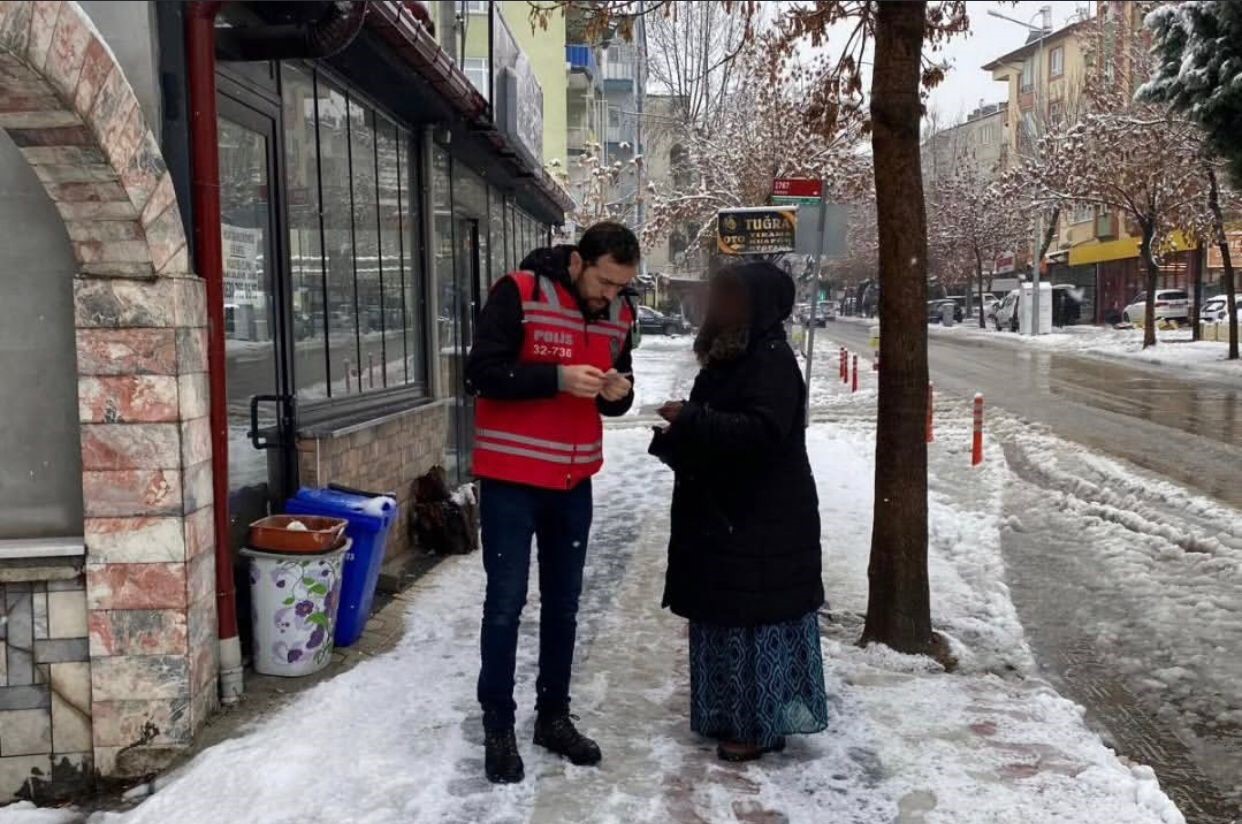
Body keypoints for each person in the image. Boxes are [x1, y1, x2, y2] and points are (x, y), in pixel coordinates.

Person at [465, 221, 640, 784]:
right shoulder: (519, 292)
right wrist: (556, 378)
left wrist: (621, 393)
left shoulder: (621, 316)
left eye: (620, 286)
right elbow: (482, 374)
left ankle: (553, 717)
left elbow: (617, 394)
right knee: (506, 605)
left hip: (572, 485)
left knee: (564, 607)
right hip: (511, 482)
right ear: (576, 262)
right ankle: (499, 725)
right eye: (605, 281)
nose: (610, 295)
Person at [649, 260, 828, 762]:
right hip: (725, 515)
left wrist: (694, 419)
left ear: (758, 307)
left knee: (755, 620)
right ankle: (728, 713)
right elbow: (717, 428)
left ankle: (760, 724)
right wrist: (677, 434)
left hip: (760, 518)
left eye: (729, 298)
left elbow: (761, 433)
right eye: (718, 296)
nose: (717, 306)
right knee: (724, 617)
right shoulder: (727, 357)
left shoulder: (770, 360)